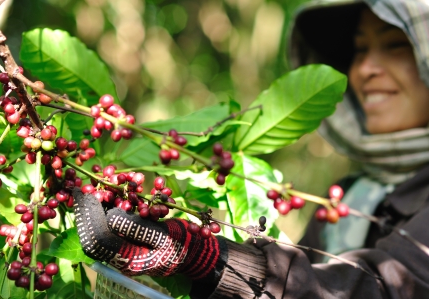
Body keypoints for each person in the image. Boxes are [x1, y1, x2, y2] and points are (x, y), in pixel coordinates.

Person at [73, 0, 429, 298]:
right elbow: (307, 283)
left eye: (395, 45)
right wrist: (202, 263)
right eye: (361, 49)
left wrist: (208, 258)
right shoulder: (353, 197)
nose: (365, 68)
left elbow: (387, 286)